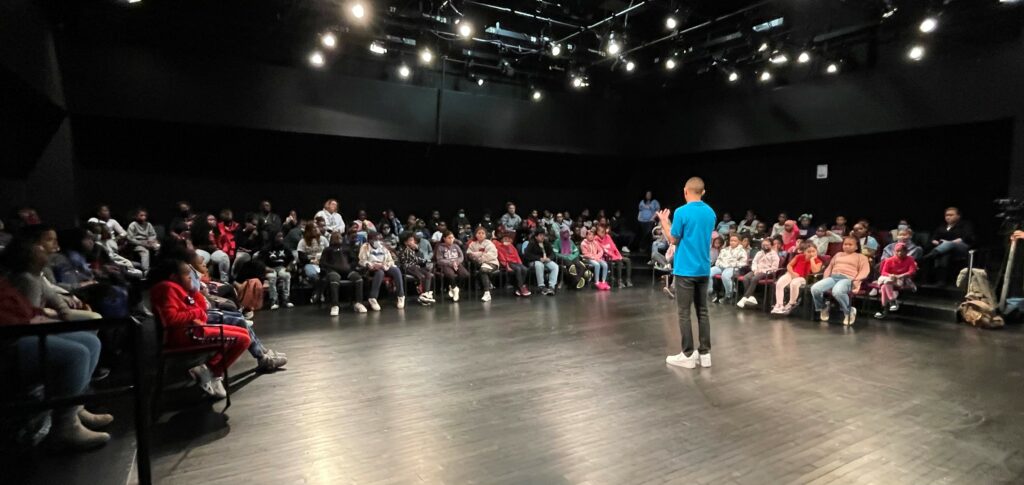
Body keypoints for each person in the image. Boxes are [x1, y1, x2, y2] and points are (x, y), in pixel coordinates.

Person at [150, 259, 251, 399]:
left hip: (194, 330)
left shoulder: (178, 289)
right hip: (186, 335)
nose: (191, 279)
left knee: (244, 333)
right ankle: (213, 371)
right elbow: (171, 318)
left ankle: (208, 371)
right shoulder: (167, 288)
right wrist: (196, 312)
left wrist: (194, 292)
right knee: (243, 340)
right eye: (188, 276)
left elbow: (202, 309)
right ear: (174, 277)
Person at [657, 177, 716, 369]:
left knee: (684, 312)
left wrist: (664, 222)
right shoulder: (711, 212)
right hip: (703, 269)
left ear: (685, 191)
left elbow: (673, 239)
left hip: (686, 270)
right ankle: (705, 354)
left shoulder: (681, 212)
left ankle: (688, 354)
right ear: (703, 192)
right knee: (703, 311)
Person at [811, 237, 871, 325]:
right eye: (845, 244)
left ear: (856, 247)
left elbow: (865, 271)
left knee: (837, 291)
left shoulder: (861, 257)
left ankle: (849, 311)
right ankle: (823, 307)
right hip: (833, 277)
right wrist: (825, 279)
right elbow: (829, 268)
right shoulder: (838, 254)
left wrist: (856, 282)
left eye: (850, 244)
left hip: (848, 279)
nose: (847, 246)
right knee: (815, 289)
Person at [920, 207, 975, 284]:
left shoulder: (965, 225)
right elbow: (933, 238)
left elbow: (967, 237)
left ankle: (929, 256)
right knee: (944, 254)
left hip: (961, 247)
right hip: (944, 249)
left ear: (958, 216)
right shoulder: (942, 226)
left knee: (949, 244)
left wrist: (950, 242)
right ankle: (941, 280)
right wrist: (936, 242)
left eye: (951, 215)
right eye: (946, 215)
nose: (948, 217)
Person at [320, 231, 368, 316]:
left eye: (339, 237)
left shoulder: (347, 248)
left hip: (347, 271)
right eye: (336, 237)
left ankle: (358, 303)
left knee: (358, 278)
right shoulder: (328, 250)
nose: (338, 239)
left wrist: (350, 267)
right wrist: (332, 268)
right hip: (333, 271)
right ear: (332, 239)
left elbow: (354, 260)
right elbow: (322, 263)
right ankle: (335, 305)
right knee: (334, 279)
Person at [358, 231, 406, 311]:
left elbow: (390, 260)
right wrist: (370, 265)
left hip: (384, 265)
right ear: (370, 240)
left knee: (396, 270)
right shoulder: (365, 247)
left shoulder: (383, 247)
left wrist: (386, 265)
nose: (378, 241)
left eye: (379, 239)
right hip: (372, 268)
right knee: (380, 272)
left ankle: (401, 296)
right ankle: (373, 298)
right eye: (376, 239)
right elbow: (362, 261)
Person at [770, 244, 823, 314]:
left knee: (794, 283)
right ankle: (779, 304)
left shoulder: (818, 261)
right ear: (804, 252)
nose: (811, 253)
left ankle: (791, 303)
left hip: (804, 278)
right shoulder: (799, 256)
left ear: (816, 251)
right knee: (780, 283)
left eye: (813, 251)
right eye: (809, 251)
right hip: (792, 274)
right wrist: (792, 273)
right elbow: (789, 265)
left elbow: (815, 271)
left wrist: (812, 260)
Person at [874, 243, 918, 319]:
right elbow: (883, 272)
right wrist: (891, 275)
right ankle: (890, 304)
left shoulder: (910, 259)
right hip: (890, 278)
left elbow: (912, 271)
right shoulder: (889, 260)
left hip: (901, 279)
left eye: (902, 251)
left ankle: (886, 307)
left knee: (886, 283)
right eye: (898, 251)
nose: (900, 253)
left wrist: (901, 275)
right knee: (884, 286)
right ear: (895, 251)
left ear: (906, 251)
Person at [737, 238, 781, 309]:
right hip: (757, 270)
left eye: (767, 245)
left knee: (754, 278)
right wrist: (755, 270)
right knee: (746, 278)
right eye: (763, 245)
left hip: (767, 272)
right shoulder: (759, 253)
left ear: (771, 245)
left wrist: (762, 271)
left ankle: (745, 298)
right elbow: (754, 262)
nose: (765, 247)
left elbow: (774, 268)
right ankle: (751, 297)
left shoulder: (774, 255)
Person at [396, 232, 436, 306]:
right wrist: (424, 260)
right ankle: (422, 294)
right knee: (422, 276)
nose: (413, 242)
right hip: (408, 267)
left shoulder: (413, 250)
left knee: (428, 274)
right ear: (405, 242)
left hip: (416, 266)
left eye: (413, 240)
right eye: (410, 240)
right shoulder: (405, 250)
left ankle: (426, 294)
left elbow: (420, 258)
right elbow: (416, 259)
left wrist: (418, 250)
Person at [708, 234, 748, 303]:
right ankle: (711, 291)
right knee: (708, 272)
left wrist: (730, 265)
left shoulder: (742, 251)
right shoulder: (725, 250)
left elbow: (743, 263)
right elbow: (718, 260)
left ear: (739, 242)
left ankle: (729, 295)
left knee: (725, 275)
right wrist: (720, 264)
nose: (732, 242)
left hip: (734, 268)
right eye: (731, 240)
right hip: (722, 266)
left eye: (735, 241)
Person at [259, 232, 293, 310]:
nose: (281, 238)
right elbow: (259, 261)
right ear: (273, 237)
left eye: (282, 236)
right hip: (270, 268)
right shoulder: (266, 248)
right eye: (279, 236)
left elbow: (292, 258)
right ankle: (273, 300)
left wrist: (290, 266)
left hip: (281, 267)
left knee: (286, 275)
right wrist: (265, 268)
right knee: (272, 277)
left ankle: (286, 298)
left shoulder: (285, 247)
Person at [464, 227, 498, 302]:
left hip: (492, 263)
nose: (481, 235)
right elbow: (469, 254)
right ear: (476, 234)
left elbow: (491, 255)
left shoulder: (489, 243)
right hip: (479, 264)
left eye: (483, 233)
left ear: (485, 235)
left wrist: (479, 256)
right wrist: (481, 253)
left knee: (483, 270)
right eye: (479, 233)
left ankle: (487, 293)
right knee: (481, 270)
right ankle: (488, 286)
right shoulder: (472, 244)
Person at [495, 230, 531, 297]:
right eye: (505, 239)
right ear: (502, 240)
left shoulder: (511, 246)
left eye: (508, 239)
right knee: (518, 269)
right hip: (508, 263)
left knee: (525, 269)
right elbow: (501, 258)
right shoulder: (499, 247)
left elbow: (517, 256)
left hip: (515, 262)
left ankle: (518, 288)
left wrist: (520, 264)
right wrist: (507, 266)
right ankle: (521, 288)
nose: (507, 240)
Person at [436, 230, 469, 302]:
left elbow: (461, 256)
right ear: (444, 238)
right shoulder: (440, 247)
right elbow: (439, 260)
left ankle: (455, 287)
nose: (451, 239)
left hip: (456, 264)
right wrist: (450, 263)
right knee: (450, 275)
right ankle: (455, 289)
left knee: (465, 274)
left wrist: (457, 262)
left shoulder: (456, 246)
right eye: (449, 238)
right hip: (446, 265)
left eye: (452, 238)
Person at [523, 230, 559, 295]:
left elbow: (552, 253)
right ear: (536, 237)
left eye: (543, 235)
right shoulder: (532, 243)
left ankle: (551, 286)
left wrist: (549, 258)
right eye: (540, 235)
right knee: (539, 264)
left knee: (555, 266)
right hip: (534, 261)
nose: (542, 237)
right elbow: (527, 254)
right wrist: (539, 258)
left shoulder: (546, 243)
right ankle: (541, 286)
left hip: (545, 260)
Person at [126, 207, 160, 273]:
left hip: (148, 242)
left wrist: (150, 240)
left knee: (158, 247)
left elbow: (153, 234)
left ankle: (157, 266)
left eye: (145, 215)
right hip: (137, 244)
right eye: (141, 215)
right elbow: (130, 238)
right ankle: (146, 270)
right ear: (136, 216)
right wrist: (142, 243)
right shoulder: (133, 225)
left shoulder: (148, 224)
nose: (143, 217)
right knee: (145, 252)